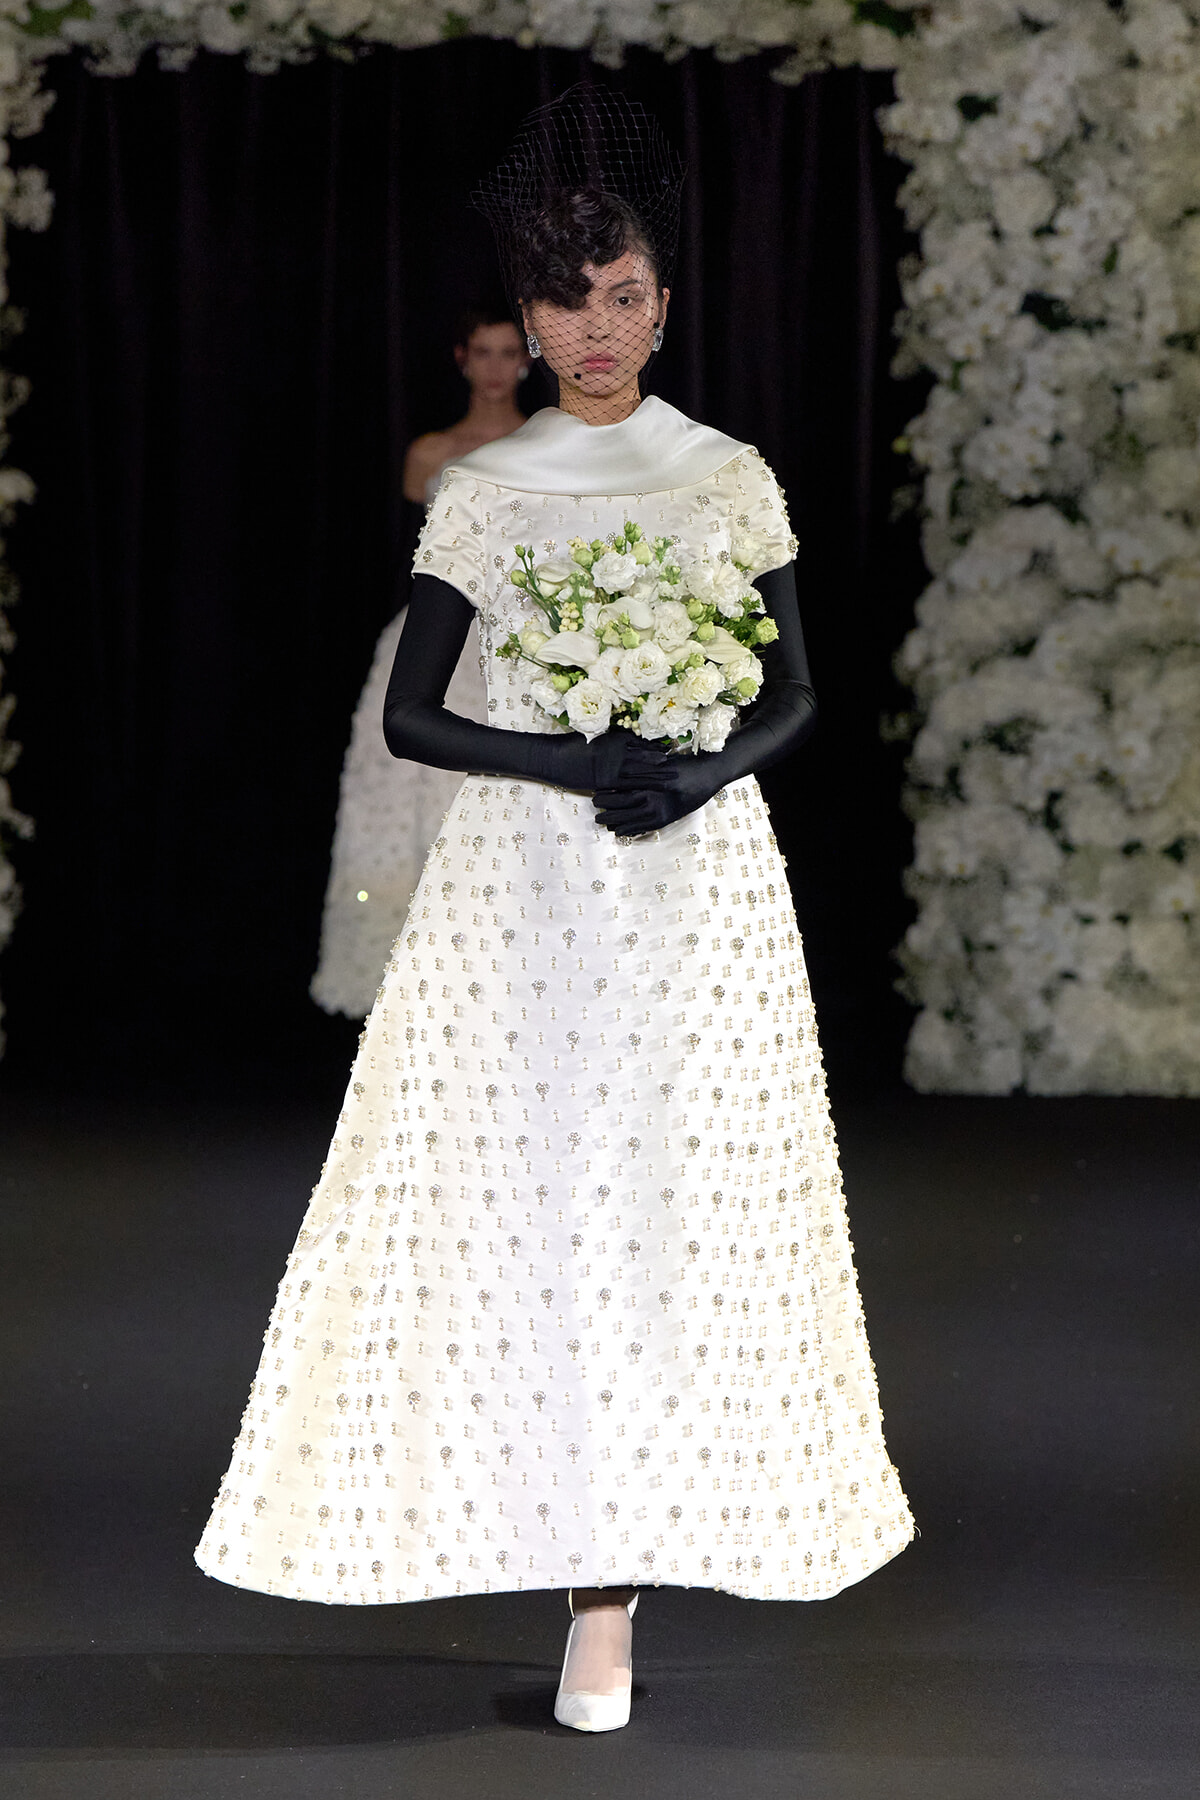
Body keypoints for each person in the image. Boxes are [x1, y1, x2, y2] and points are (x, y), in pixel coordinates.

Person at [197, 88, 912, 1735]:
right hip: (522, 877)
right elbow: (416, 717)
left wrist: (700, 771)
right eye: (566, 302)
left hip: (695, 881)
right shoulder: (495, 486)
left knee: (670, 1204)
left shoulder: (725, 476)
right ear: (525, 318)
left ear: (666, 305)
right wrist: (571, 754)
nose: (595, 329)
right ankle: (554, 1547)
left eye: (626, 297)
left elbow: (799, 690)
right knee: (527, 1206)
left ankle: (612, 1604)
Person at [310, 310, 529, 1018]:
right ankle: (414, 992)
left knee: (498, 799)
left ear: (526, 360)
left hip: (515, 643)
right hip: (432, 638)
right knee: (406, 797)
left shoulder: (546, 445)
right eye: (483, 353)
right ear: (462, 359)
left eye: (508, 353)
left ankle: (498, 989)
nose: (495, 367)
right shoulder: (429, 453)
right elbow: (416, 560)